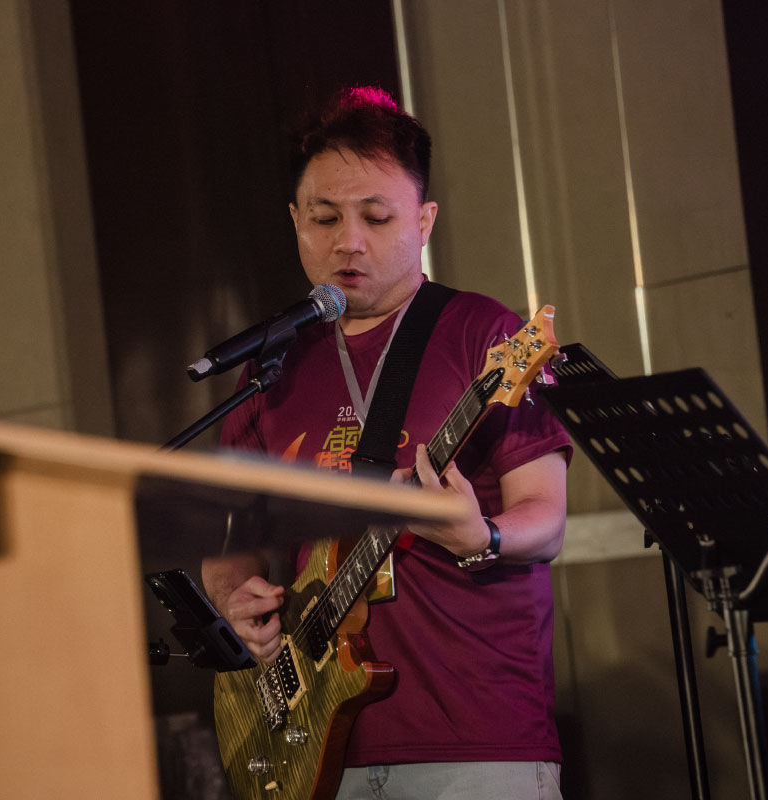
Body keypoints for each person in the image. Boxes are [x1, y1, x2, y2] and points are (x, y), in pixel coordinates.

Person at [202, 86, 571, 800]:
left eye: (376, 217)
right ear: (294, 220)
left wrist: (484, 536)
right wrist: (233, 600)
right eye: (324, 217)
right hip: (316, 750)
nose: (349, 241)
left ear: (424, 221)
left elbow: (547, 518)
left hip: (476, 738)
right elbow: (232, 542)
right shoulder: (272, 367)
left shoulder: (484, 333)